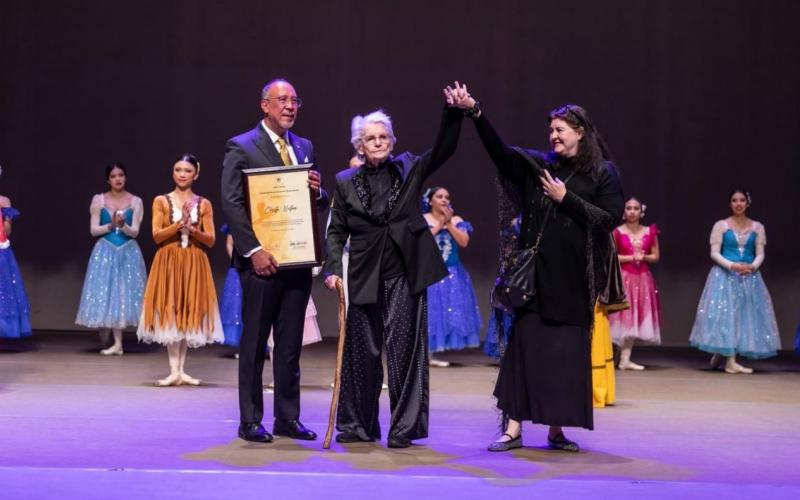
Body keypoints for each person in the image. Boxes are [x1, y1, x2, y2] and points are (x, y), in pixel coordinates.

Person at [448, 82, 624, 452]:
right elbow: (501, 153)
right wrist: (475, 112)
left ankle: (556, 431)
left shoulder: (603, 173)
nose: (553, 135)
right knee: (524, 351)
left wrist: (566, 198)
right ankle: (512, 429)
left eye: (560, 129)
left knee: (563, 357)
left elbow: (609, 219)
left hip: (573, 280)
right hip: (534, 280)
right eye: (551, 130)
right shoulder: (539, 166)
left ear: (580, 133)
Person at [323, 98, 464, 449]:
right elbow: (336, 231)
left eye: (384, 136)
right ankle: (357, 424)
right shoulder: (344, 181)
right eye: (371, 138)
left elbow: (443, 150)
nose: (378, 142)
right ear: (360, 145)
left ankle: (404, 427)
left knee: (405, 352)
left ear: (392, 140)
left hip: (404, 272)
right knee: (363, 353)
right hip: (363, 272)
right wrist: (330, 268)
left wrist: (453, 113)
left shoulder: (408, 169)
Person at [221, 79, 329, 444]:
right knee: (253, 346)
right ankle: (250, 420)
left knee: (289, 346)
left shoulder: (304, 146)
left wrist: (319, 191)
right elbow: (232, 203)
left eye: (295, 100)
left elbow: (310, 201)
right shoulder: (242, 145)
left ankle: (287, 418)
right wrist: (253, 251)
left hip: (296, 261)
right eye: (282, 100)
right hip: (261, 263)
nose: (290, 106)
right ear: (264, 105)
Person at [137, 154, 223, 385]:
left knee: (188, 310)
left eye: (187, 170)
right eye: (178, 170)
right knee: (171, 309)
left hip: (194, 261)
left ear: (196, 173)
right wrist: (178, 224)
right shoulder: (161, 201)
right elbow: (156, 235)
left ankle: (181, 370)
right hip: (169, 261)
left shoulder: (204, 203)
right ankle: (173, 369)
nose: (182, 174)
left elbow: (212, 239)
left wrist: (192, 229)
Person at [689, 190, 781, 373]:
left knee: (744, 317)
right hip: (724, 276)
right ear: (730, 204)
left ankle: (725, 353)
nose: (738, 203)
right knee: (727, 315)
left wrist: (752, 267)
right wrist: (732, 266)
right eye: (734, 200)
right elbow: (714, 253)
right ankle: (730, 361)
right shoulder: (721, 225)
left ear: (748, 203)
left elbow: (760, 253)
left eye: (742, 200)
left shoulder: (757, 227)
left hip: (749, 277)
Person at [218, 223, 322, 371]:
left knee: (287, 336)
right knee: (255, 328)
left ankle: (281, 375)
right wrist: (251, 255)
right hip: (255, 264)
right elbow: (231, 241)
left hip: (290, 262)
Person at [75, 163, 147, 355]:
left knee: (122, 293)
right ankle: (109, 337)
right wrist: (111, 225)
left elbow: (135, 232)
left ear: (126, 177)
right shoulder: (99, 200)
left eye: (121, 175)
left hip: (127, 250)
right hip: (106, 249)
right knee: (107, 292)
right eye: (114, 176)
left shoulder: (136, 201)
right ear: (108, 180)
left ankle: (118, 344)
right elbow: (93, 230)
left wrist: (122, 226)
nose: (118, 179)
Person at [422, 186, 481, 366]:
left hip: (452, 274)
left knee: (448, 312)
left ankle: (435, 353)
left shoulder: (456, 220)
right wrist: (440, 225)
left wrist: (448, 224)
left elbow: (464, 242)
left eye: (447, 197)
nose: (444, 200)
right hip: (431, 272)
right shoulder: (424, 219)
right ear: (430, 200)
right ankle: (427, 354)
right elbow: (420, 242)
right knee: (430, 312)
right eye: (439, 197)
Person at [609, 197, 661, 370]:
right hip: (623, 277)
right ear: (624, 212)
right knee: (620, 316)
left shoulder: (649, 231)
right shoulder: (616, 231)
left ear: (641, 211)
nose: (632, 211)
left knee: (635, 315)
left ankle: (625, 358)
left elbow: (655, 256)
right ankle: (615, 356)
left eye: (636, 208)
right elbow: (611, 256)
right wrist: (631, 257)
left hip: (642, 278)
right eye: (629, 208)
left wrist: (644, 257)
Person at [0, 167, 31, 340]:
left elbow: (8, 230)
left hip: (1, 250)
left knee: (3, 293)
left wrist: (4, 217)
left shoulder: (4, 201)